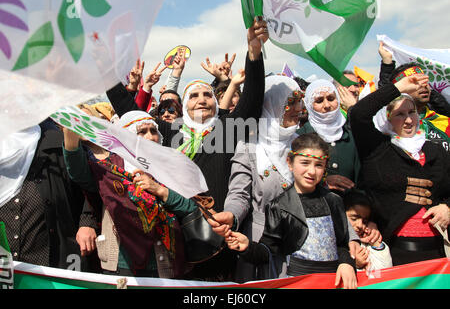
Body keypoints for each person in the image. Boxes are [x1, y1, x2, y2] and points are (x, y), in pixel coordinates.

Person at [104, 18, 269, 281]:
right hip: (176, 235)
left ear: (216, 102)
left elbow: (253, 99)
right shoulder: (168, 131)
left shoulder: (228, 128)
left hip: (220, 232)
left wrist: (254, 54)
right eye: (193, 96)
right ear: (185, 105)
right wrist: (104, 70)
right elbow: (130, 111)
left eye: (207, 95)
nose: (201, 99)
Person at [62, 110, 195, 278]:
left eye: (153, 131)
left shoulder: (172, 168)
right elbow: (78, 172)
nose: (150, 137)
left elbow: (190, 207)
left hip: (164, 263)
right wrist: (70, 136)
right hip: (120, 265)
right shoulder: (109, 168)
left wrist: (160, 190)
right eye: (142, 131)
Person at [221, 133, 358, 289]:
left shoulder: (333, 201)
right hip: (297, 282)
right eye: (305, 163)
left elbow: (340, 243)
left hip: (331, 281)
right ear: (290, 163)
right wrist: (247, 246)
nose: (312, 171)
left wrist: (346, 263)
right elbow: (269, 251)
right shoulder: (279, 206)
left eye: (318, 165)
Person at [210, 75, 304, 282]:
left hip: (304, 243)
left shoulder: (305, 145)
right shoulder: (249, 146)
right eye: (292, 102)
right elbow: (239, 193)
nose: (300, 108)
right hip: (261, 244)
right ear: (273, 105)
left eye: (300, 100)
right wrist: (232, 214)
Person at [349, 72, 450, 266]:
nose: (409, 120)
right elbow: (359, 114)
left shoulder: (435, 150)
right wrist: (399, 87)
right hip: (396, 252)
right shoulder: (377, 150)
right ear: (386, 119)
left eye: (412, 112)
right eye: (399, 114)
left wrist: (447, 208)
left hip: (438, 253)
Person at [0, 118, 93, 271]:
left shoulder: (58, 144)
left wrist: (86, 223)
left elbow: (86, 185)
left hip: (49, 249)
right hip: (7, 256)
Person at [378, 42, 450, 153]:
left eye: (425, 81)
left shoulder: (445, 121)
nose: (423, 85)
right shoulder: (389, 126)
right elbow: (380, 101)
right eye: (415, 82)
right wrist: (387, 64)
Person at [297, 79, 360, 196]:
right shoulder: (300, 136)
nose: (327, 105)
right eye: (319, 101)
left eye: (331, 99)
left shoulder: (351, 135)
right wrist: (323, 182)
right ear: (309, 105)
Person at [343, 190, 393, 271]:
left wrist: (376, 243)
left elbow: (384, 272)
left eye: (365, 221)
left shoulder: (366, 246)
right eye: (354, 219)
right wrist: (353, 263)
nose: (360, 225)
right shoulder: (333, 242)